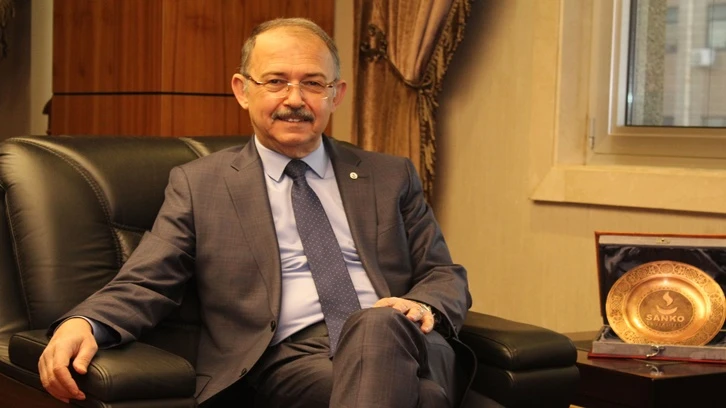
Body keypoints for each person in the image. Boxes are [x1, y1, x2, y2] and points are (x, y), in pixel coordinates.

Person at [38, 17, 472, 408]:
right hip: (294, 356)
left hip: (411, 339)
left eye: (313, 83)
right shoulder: (201, 185)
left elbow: (443, 273)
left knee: (379, 326)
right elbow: (148, 279)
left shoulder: (390, 175)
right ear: (242, 90)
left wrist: (421, 304)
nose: (295, 99)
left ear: (336, 94)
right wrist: (85, 322)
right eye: (276, 81)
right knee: (425, 397)